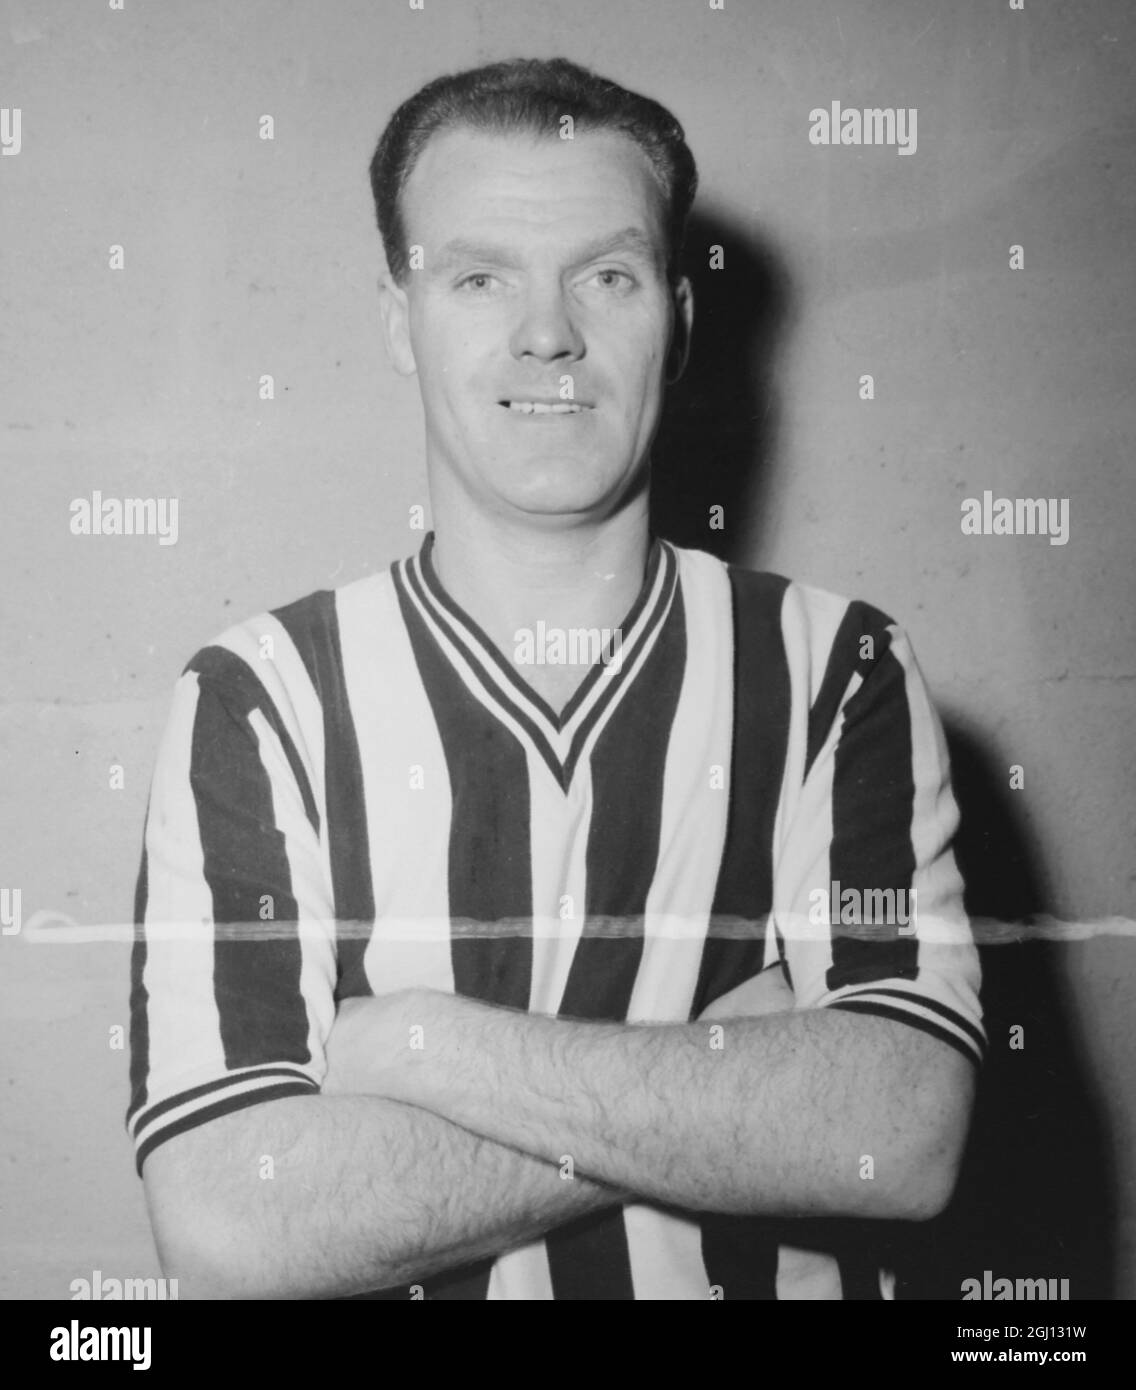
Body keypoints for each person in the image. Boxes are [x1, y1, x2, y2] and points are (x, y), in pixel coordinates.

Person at [127, 57, 983, 1300]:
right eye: (479, 277)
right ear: (397, 319)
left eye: (607, 274)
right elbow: (229, 1228)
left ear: (678, 322)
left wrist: (419, 1044)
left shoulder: (830, 668)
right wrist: (730, 1064)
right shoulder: (258, 698)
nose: (548, 332)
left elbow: (901, 1133)